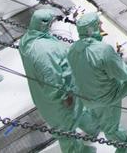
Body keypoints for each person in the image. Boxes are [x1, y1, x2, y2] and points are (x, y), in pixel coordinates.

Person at [67, 12, 127, 145]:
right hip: (106, 97)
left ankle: (99, 126)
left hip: (86, 97)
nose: (101, 24)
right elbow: (124, 74)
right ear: (91, 28)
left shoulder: (73, 49)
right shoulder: (103, 50)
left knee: (101, 116)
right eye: (98, 23)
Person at [19, 8, 92, 153]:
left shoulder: (26, 40)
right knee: (65, 131)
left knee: (76, 115)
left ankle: (91, 129)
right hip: (58, 101)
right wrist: (65, 97)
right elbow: (52, 79)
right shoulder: (45, 50)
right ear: (43, 24)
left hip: (41, 96)